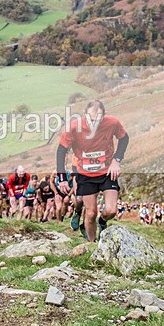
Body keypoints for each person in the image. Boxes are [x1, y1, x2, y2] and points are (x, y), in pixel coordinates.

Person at [56, 100, 129, 242]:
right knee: (90, 213)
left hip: (107, 171)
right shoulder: (74, 127)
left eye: (98, 119)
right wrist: (62, 178)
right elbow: (61, 150)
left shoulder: (112, 123)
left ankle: (102, 221)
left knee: (111, 210)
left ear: (104, 115)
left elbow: (124, 138)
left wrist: (117, 160)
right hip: (85, 173)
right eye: (91, 119)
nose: (94, 123)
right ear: (84, 115)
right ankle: (92, 244)